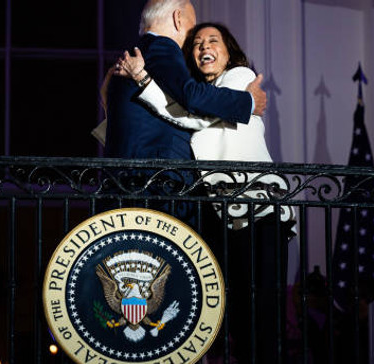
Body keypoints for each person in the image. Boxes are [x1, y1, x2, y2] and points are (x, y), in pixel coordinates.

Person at [116, 22, 296, 363]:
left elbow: (194, 116)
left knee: (263, 316)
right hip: (224, 216)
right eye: (197, 43)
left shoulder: (241, 78)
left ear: (229, 52)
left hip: (260, 211)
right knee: (234, 316)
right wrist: (139, 80)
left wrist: (144, 80)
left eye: (213, 41)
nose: (203, 47)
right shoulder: (211, 99)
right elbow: (185, 116)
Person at [103, 0, 266, 227]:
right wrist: (248, 102)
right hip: (158, 187)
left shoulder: (135, 56)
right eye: (194, 29)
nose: (193, 43)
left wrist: (142, 79)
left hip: (132, 186)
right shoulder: (161, 46)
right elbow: (192, 97)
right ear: (178, 19)